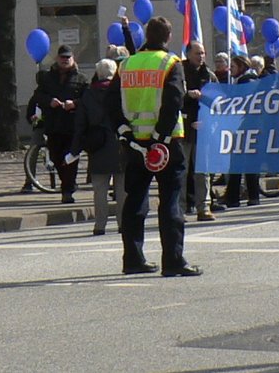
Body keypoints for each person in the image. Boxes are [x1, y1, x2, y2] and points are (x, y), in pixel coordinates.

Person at [107, 16, 201, 277]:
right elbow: (173, 103)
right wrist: (159, 140)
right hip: (167, 145)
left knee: (135, 200)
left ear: (146, 36)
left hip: (135, 144)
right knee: (170, 200)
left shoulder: (126, 64)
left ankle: (133, 259)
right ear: (168, 37)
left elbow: (112, 103)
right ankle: (173, 260)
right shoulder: (171, 63)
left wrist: (125, 133)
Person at [70, 59, 126, 236]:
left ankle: (99, 225)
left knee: (99, 189)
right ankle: (123, 223)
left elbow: (80, 125)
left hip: (98, 145)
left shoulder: (88, 95)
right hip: (120, 144)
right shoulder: (121, 92)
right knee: (122, 189)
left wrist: (75, 150)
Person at [29, 45, 89, 203]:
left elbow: (88, 100)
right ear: (57, 59)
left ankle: (67, 191)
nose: (65, 60)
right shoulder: (48, 78)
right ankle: (67, 183)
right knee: (56, 157)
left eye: (68, 57)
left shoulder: (81, 79)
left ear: (73, 59)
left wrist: (74, 103)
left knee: (71, 159)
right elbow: (37, 97)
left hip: (72, 126)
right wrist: (50, 101)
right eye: (62, 57)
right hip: (54, 125)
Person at [181, 41, 218, 221]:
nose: (201, 57)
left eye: (203, 53)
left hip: (203, 129)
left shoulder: (209, 75)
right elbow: (171, 96)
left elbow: (220, 101)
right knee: (181, 171)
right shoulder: (179, 73)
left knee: (203, 171)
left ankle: (204, 207)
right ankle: (179, 208)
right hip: (182, 129)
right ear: (188, 54)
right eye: (197, 53)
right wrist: (187, 95)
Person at [223, 55, 261, 208]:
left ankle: (233, 197)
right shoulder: (247, 81)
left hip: (245, 127)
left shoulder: (247, 82)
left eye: (232, 66)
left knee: (237, 163)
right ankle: (252, 196)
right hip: (249, 126)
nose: (229, 69)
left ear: (241, 67)